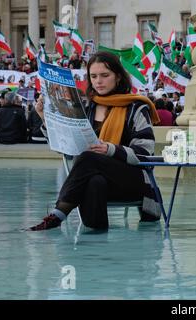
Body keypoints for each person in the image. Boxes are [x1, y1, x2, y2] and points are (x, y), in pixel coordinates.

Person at [28, 51, 161, 231]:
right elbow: (65, 148)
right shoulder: (87, 107)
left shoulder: (136, 108)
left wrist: (110, 149)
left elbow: (145, 153)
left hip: (131, 179)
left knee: (89, 158)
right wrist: (44, 117)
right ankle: (94, 243)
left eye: (105, 75)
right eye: (94, 76)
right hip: (98, 179)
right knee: (94, 181)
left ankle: (58, 214)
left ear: (118, 77)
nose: (98, 81)